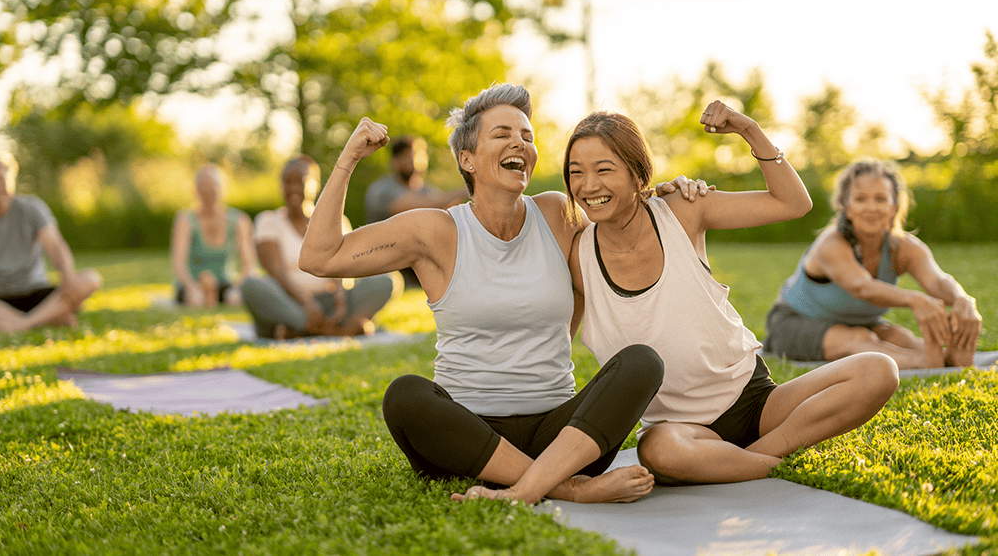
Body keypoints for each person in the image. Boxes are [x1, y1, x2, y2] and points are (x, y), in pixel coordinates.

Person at [299, 84, 666, 505]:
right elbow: (319, 257)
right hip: (465, 437)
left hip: (558, 437)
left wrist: (673, 197)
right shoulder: (436, 231)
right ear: (466, 159)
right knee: (405, 395)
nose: (519, 143)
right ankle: (566, 487)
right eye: (502, 134)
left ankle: (531, 483)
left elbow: (624, 224)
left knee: (642, 362)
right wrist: (348, 159)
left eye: (527, 136)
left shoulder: (557, 214)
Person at [563, 105, 900, 485]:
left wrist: (748, 129)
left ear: (638, 172)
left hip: (757, 403)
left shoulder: (682, 210)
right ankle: (775, 462)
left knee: (878, 370)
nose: (588, 186)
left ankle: (748, 459)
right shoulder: (577, 258)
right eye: (576, 172)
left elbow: (793, 203)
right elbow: (557, 347)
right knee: (658, 452)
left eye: (603, 169)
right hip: (681, 431)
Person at [763, 160, 982, 370]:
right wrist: (915, 299)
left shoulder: (905, 248)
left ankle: (945, 358)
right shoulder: (831, 243)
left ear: (894, 207)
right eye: (860, 199)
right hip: (794, 323)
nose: (871, 207)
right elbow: (862, 287)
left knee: (902, 338)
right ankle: (924, 362)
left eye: (880, 199)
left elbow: (937, 280)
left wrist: (962, 299)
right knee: (860, 340)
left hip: (861, 322)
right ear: (846, 207)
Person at [242, 156, 398, 339]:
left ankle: (302, 331)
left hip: (329, 302)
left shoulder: (336, 221)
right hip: (289, 301)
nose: (292, 188)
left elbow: (342, 269)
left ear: (315, 184)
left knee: (387, 280)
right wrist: (306, 302)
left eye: (299, 182)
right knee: (250, 286)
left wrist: (340, 302)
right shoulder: (269, 221)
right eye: (286, 182)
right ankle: (337, 329)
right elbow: (276, 270)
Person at [0, 151, 102, 333]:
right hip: (1, 300)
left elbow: (55, 246)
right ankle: (52, 317)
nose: (0, 183)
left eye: (3, 176)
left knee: (90, 278)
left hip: (36, 293)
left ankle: (22, 324)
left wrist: (68, 277)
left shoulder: (31, 208)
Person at [364, 136, 468, 287]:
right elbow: (418, 206)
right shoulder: (381, 190)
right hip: (389, 264)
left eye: (418, 154)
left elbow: (451, 216)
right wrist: (468, 189)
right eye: (406, 155)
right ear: (394, 161)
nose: (413, 160)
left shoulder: (429, 191)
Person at [169, 164, 255, 307]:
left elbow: (249, 264)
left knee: (235, 299)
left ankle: (213, 294)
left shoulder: (239, 220)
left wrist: (236, 289)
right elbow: (179, 264)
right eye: (203, 185)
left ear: (222, 188)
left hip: (225, 284)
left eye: (213, 185)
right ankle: (206, 292)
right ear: (195, 189)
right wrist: (192, 288)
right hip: (192, 283)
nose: (208, 190)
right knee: (196, 300)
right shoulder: (185, 220)